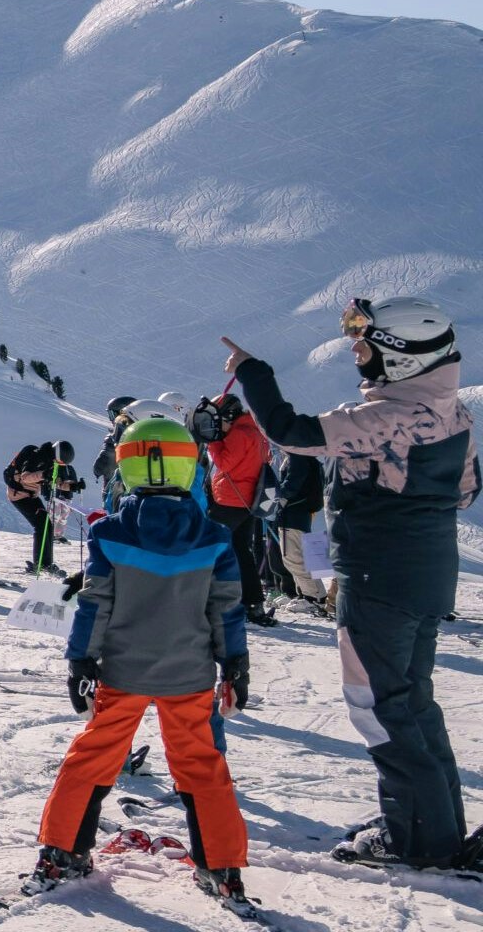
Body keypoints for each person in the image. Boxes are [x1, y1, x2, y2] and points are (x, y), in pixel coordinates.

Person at [224, 297, 478, 870]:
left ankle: (418, 839)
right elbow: (466, 489)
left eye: (368, 347)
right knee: (411, 701)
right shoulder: (453, 414)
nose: (358, 356)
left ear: (404, 358)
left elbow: (292, 432)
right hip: (427, 575)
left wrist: (253, 374)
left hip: (379, 576)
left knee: (377, 706)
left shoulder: (388, 416)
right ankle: (431, 823)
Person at [22, 417, 251, 907]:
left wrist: (81, 662)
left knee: (91, 760)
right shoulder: (213, 537)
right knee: (203, 768)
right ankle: (222, 867)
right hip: (189, 675)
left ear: (127, 467)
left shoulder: (110, 535)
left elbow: (95, 604)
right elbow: (226, 609)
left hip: (122, 673)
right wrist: (234, 663)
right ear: (188, 465)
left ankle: (61, 854)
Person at [192, 392, 275, 626]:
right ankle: (253, 603)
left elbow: (225, 463)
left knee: (209, 546)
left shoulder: (238, 433)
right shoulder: (256, 431)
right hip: (249, 501)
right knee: (241, 550)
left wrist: (213, 442)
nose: (220, 425)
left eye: (221, 420)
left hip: (229, 499)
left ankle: (203, 599)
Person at [5, 441, 85, 574]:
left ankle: (46, 563)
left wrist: (72, 486)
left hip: (31, 495)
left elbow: (54, 482)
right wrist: (43, 474)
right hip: (18, 494)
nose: (60, 465)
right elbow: (25, 477)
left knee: (47, 524)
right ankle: (41, 563)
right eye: (60, 462)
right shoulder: (37, 456)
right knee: (42, 523)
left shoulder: (50, 461)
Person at [271, 443, 329, 616]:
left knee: (293, 557)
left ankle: (313, 597)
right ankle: (308, 594)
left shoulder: (297, 458)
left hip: (293, 514)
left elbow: (293, 482)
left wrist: (280, 495)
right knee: (301, 556)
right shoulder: (309, 457)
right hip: (302, 513)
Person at [93, 395, 137, 513]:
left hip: (115, 490)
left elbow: (102, 464)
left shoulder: (114, 438)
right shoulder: (141, 436)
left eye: (112, 415)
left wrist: (98, 470)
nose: (111, 420)